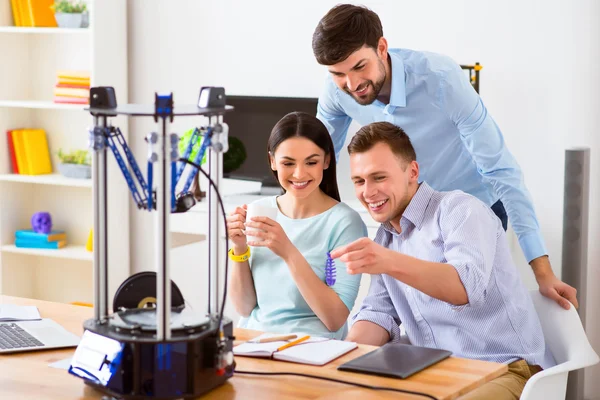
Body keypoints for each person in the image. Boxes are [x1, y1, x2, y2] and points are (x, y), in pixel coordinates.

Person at [312, 4, 577, 310]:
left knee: (469, 312)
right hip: (409, 216)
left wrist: (543, 272)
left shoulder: (441, 80)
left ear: (381, 48)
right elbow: (317, 160)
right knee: (412, 314)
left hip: (473, 209)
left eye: (359, 67)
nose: (351, 83)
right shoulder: (337, 92)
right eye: (338, 74)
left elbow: (500, 170)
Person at [331, 122, 554, 399]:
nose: (368, 192)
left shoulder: (460, 210)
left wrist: (388, 261)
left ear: (412, 172)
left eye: (379, 177)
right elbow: (378, 314)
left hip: (502, 369)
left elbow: (464, 286)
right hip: (428, 371)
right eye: (359, 181)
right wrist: (345, 355)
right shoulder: (386, 239)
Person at [226, 112, 367, 339]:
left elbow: (334, 319)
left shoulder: (344, 222)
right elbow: (244, 308)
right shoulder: (259, 210)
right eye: (288, 163)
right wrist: (239, 249)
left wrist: (288, 251)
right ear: (272, 161)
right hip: (253, 342)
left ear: (327, 160)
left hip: (310, 348)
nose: (299, 173)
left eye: (311, 162)